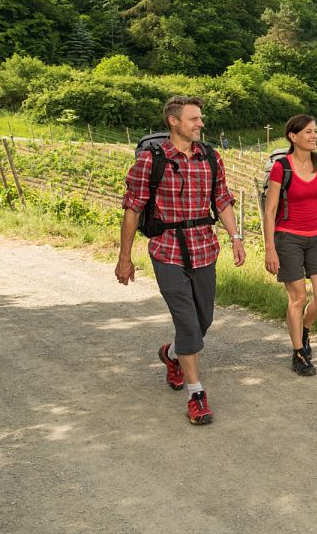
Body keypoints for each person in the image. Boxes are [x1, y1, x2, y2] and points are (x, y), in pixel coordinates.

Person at [116, 96, 246, 425]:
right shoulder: (151, 160)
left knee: (203, 320)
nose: (200, 124)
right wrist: (124, 257)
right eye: (194, 119)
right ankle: (196, 393)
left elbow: (222, 200)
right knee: (188, 322)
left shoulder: (210, 158)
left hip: (204, 246)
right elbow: (132, 209)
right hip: (167, 249)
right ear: (174, 122)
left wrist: (236, 237)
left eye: (200, 118)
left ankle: (171, 354)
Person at [263, 114, 317, 376]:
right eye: (308, 132)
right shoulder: (281, 168)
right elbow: (270, 209)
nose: (314, 136)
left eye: (315, 132)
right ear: (293, 136)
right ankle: (298, 352)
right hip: (288, 238)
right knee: (298, 297)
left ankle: (304, 328)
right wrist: (269, 247)